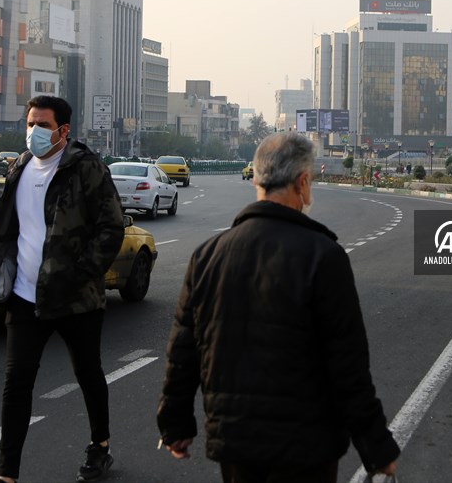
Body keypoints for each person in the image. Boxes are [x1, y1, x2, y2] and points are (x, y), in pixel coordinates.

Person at [157, 132, 400, 483]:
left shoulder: (208, 255)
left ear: (256, 179)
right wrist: (376, 448)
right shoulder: (323, 256)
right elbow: (348, 368)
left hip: (235, 442)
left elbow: (183, 351)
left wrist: (175, 424)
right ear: (302, 183)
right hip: (307, 448)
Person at [0, 95, 125, 483]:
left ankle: (101, 446)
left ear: (63, 130)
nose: (33, 132)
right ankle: (6, 474)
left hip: (76, 298)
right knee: (16, 385)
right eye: (30, 123)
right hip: (26, 297)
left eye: (42, 125)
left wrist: (81, 274)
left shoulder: (86, 168)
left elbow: (112, 227)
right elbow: (8, 225)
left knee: (88, 373)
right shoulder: (20, 166)